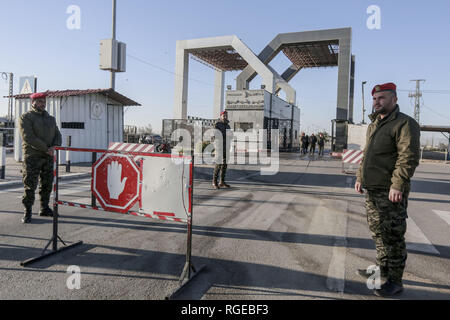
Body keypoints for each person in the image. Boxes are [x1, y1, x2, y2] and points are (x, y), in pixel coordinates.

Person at [354, 82, 420, 297]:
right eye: (374, 98)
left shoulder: (404, 124)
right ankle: (382, 270)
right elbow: (366, 154)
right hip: (372, 189)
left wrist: (397, 185)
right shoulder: (374, 124)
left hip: (389, 191)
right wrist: (359, 177)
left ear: (394, 99)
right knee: (378, 233)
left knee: (392, 237)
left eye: (381, 98)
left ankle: (395, 281)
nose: (376, 102)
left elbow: (407, 157)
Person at [19, 92, 62, 223]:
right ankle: (28, 211)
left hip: (48, 156)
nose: (42, 104)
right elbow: (29, 137)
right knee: (30, 185)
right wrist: (46, 149)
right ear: (33, 103)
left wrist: (54, 147)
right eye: (39, 102)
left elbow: (57, 134)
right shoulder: (26, 117)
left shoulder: (51, 118)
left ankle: (44, 208)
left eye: (44, 102)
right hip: (32, 156)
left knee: (47, 183)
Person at [212, 110, 231, 189]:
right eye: (224, 115)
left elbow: (230, 135)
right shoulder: (217, 124)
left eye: (226, 115)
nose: (225, 117)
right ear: (221, 116)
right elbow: (216, 134)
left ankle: (222, 181)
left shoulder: (228, 125)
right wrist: (226, 135)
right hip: (219, 146)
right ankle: (214, 182)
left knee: (225, 164)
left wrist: (230, 135)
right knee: (218, 164)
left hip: (226, 146)